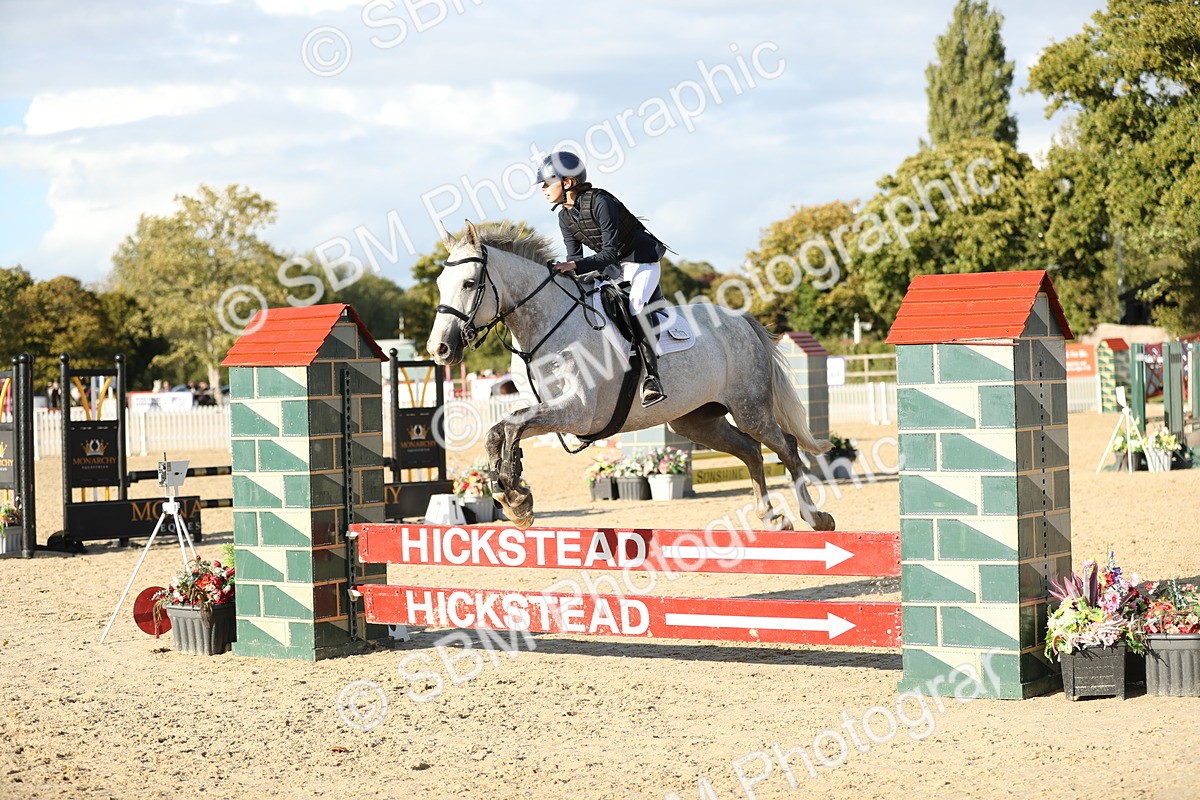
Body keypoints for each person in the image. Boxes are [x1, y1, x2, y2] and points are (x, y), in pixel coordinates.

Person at [538, 151, 669, 407]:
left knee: (635, 306)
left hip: (641, 262)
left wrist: (574, 265)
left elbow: (609, 252)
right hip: (613, 269)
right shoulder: (564, 216)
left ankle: (653, 379)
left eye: (547, 182)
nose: (542, 189)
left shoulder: (601, 202)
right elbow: (574, 257)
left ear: (567, 182)